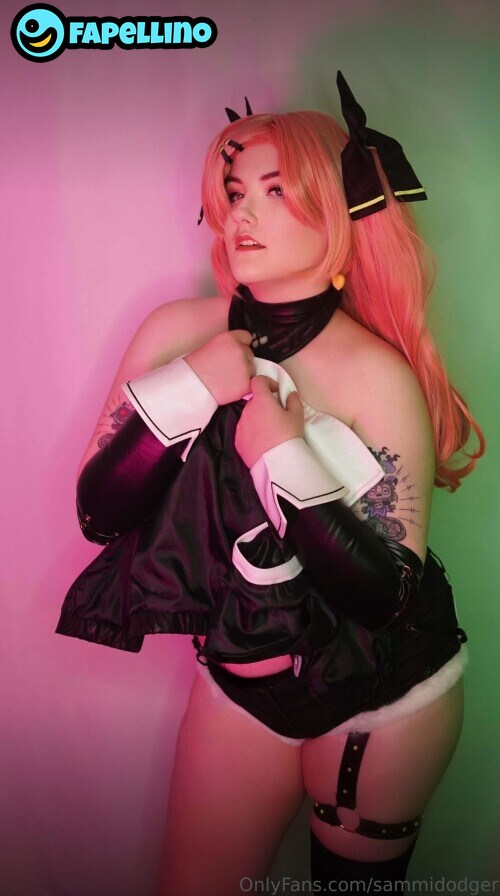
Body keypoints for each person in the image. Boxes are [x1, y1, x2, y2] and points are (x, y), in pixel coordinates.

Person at [57, 73, 484, 895]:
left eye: (276, 190)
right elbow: (97, 513)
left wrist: (283, 456)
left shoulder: (376, 375)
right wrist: (189, 388)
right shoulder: (175, 332)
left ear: (337, 211)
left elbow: (386, 596)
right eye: (235, 192)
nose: (242, 213)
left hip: (383, 695)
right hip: (240, 679)